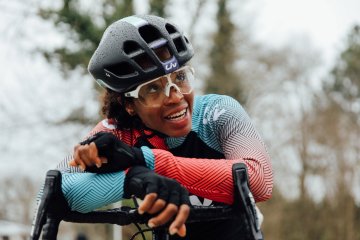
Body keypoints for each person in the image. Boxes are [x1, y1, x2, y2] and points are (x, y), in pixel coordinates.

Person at [55, 14, 273, 239]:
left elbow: (259, 181)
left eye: (180, 77)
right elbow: (54, 190)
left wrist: (148, 161)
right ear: (128, 104)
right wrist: (134, 180)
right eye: (153, 89)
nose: (176, 97)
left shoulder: (218, 112)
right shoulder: (119, 132)